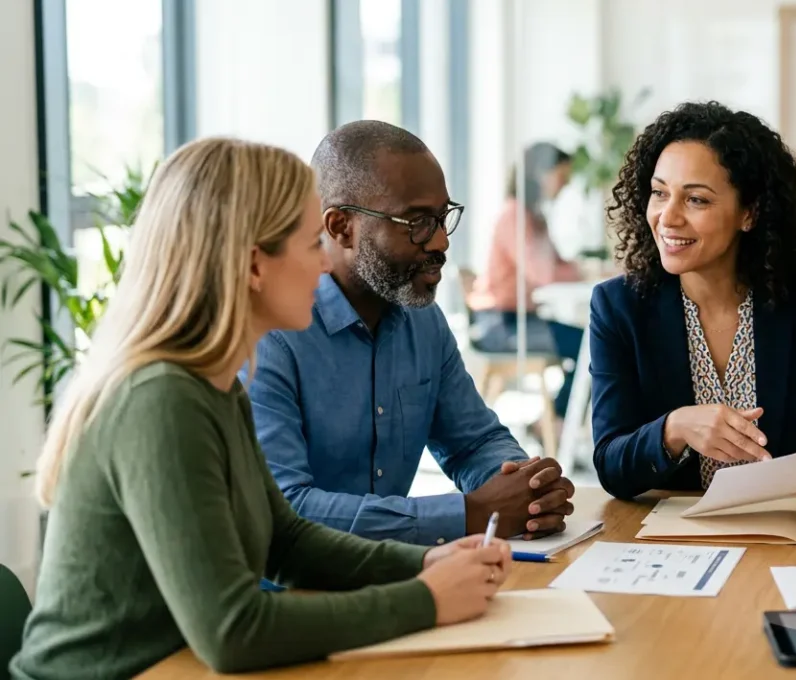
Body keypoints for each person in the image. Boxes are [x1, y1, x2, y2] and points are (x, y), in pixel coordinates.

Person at [9, 138, 513, 679]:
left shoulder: (215, 386)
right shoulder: (161, 400)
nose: (325, 264)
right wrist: (426, 600)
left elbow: (287, 540)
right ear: (254, 266)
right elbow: (232, 631)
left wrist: (427, 563)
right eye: (310, 244)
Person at [241, 121, 575, 546]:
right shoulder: (272, 333)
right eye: (416, 222)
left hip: (395, 577)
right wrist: (470, 514)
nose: (440, 242)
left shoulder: (423, 321)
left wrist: (525, 488)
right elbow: (287, 509)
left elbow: (473, 442)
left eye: (442, 218)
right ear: (340, 226)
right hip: (292, 596)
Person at [589, 101, 796, 515]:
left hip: (785, 535)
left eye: (696, 200)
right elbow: (611, 466)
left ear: (749, 213)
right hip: (672, 543)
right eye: (659, 193)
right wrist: (674, 429)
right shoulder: (619, 307)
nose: (667, 218)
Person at [468, 142, 586, 422]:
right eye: (562, 177)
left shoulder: (532, 216)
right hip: (500, 326)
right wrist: (583, 272)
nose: (564, 186)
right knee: (593, 346)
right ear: (540, 175)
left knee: (594, 343)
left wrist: (584, 270)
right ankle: (555, 423)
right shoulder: (516, 216)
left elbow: (558, 266)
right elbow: (545, 275)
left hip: (519, 321)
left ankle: (554, 422)